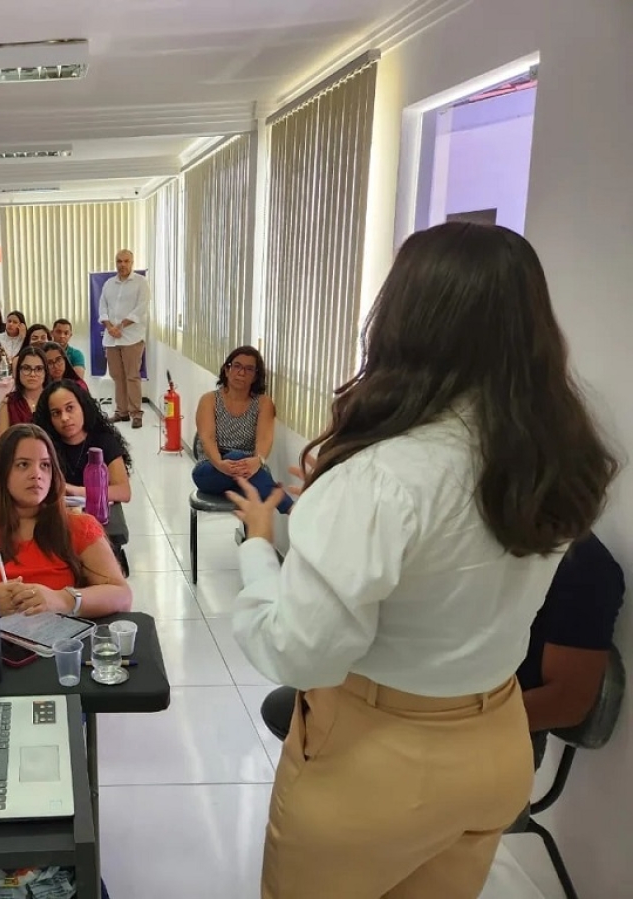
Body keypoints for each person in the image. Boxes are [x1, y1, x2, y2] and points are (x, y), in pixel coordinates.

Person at [226, 222, 618, 899]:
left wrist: (262, 549)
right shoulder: (555, 462)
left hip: (377, 759)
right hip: (498, 744)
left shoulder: (384, 476)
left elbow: (302, 653)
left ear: (402, 321)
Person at [261, 532, 626, 769]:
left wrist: (432, 719)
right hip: (421, 702)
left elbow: (568, 701)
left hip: (485, 732)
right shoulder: (468, 532)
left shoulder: (583, 566)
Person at [0, 424, 133, 621]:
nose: (36, 475)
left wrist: (63, 600)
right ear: (3, 473)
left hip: (53, 649)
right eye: (23, 465)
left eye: (45, 465)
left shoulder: (78, 526)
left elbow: (121, 595)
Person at [192, 346, 292, 514]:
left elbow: (264, 439)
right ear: (227, 369)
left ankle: (285, 506)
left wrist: (258, 460)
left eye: (249, 369)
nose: (241, 373)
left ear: (255, 376)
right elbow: (207, 438)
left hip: (249, 470)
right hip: (211, 469)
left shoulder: (263, 403)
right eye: (237, 366)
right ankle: (290, 508)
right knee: (239, 458)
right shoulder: (209, 400)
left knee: (243, 462)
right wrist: (221, 464)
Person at [33, 380, 132, 504]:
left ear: (83, 407)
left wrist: (74, 491)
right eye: (56, 413)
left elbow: (124, 492)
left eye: (70, 408)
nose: (64, 418)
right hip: (58, 515)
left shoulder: (104, 439)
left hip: (101, 513)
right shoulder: (45, 446)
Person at [98, 249, 151, 428]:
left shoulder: (141, 283)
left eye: (126, 261)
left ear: (132, 262)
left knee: (132, 376)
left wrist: (120, 326)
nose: (122, 265)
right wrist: (109, 327)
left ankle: (136, 413)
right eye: (119, 261)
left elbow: (140, 309)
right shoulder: (108, 284)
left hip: (132, 338)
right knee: (117, 376)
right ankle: (122, 412)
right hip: (111, 338)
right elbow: (102, 307)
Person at [0, 346, 48, 439]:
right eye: (26, 368)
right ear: (18, 371)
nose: (32, 374)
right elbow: (3, 444)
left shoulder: (53, 400)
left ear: (46, 372)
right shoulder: (9, 403)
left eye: (39, 369)